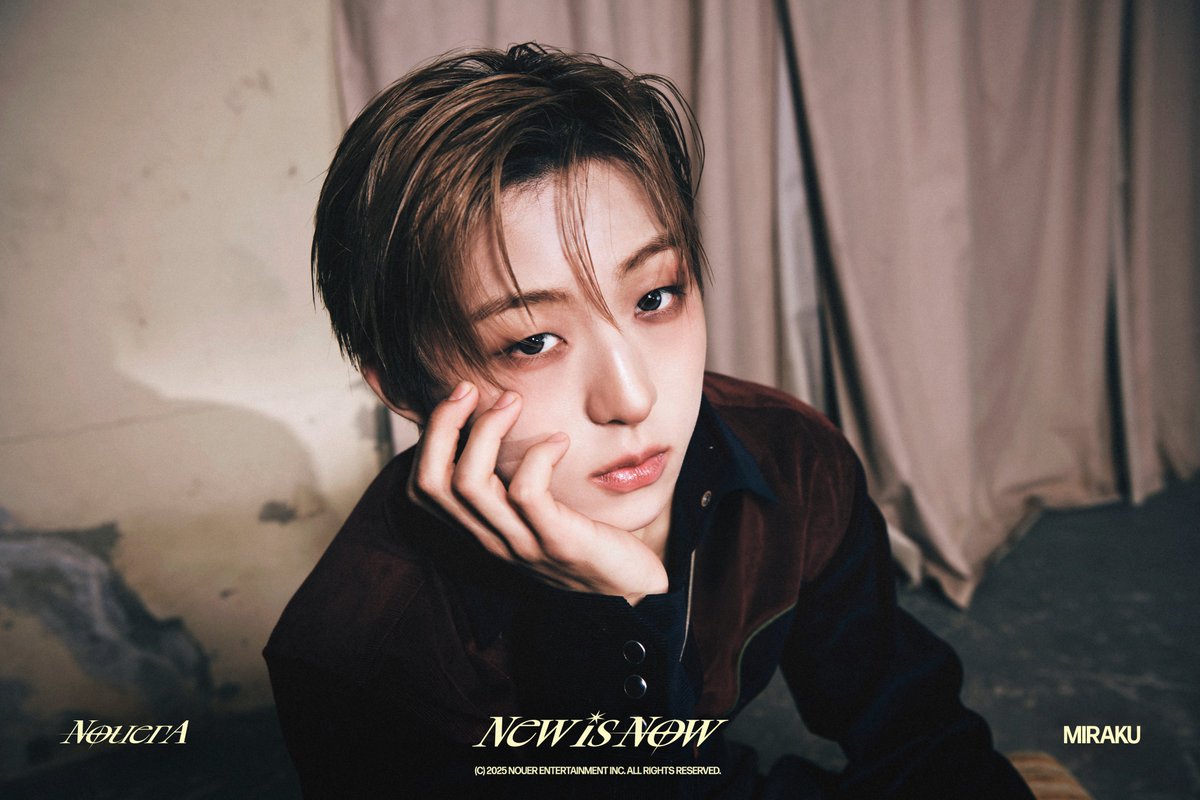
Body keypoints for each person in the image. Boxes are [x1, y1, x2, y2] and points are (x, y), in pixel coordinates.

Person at [264, 43, 1034, 799]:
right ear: (406, 387)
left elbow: (914, 729)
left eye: (655, 297)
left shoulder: (792, 459)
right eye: (532, 342)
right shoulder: (357, 648)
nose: (632, 399)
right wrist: (612, 610)